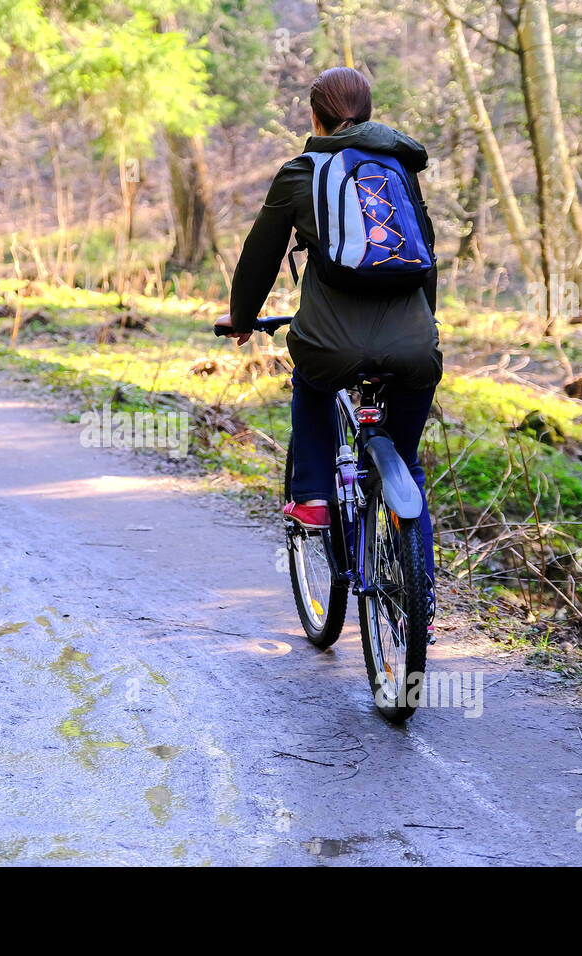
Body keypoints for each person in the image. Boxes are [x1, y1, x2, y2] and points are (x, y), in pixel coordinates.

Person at [214, 66, 443, 596]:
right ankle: (420, 598)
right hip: (414, 348)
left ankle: (313, 496)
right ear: (367, 112)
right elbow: (426, 260)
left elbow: (260, 257)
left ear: (314, 116)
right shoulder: (401, 170)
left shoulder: (302, 171)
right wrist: (424, 326)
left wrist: (243, 318)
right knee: (406, 463)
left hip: (329, 345)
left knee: (312, 383)